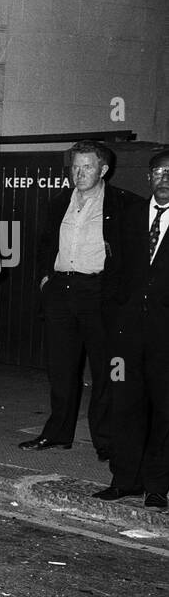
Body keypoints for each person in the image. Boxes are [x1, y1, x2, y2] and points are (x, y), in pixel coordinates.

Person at [20, 140, 138, 460]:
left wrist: (120, 297)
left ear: (104, 169)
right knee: (60, 369)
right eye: (75, 166)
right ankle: (58, 433)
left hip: (99, 294)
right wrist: (47, 278)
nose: (79, 173)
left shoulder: (124, 205)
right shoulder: (59, 202)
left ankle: (106, 440)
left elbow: (132, 257)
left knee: (105, 372)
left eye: (87, 166)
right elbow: (45, 244)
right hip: (61, 292)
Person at [93, 150, 169, 509]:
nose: (164, 179)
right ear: (148, 177)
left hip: (164, 338)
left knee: (164, 410)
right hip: (124, 336)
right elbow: (113, 271)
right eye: (158, 172)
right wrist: (113, 321)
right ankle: (125, 479)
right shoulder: (130, 216)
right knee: (123, 403)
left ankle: (157, 486)